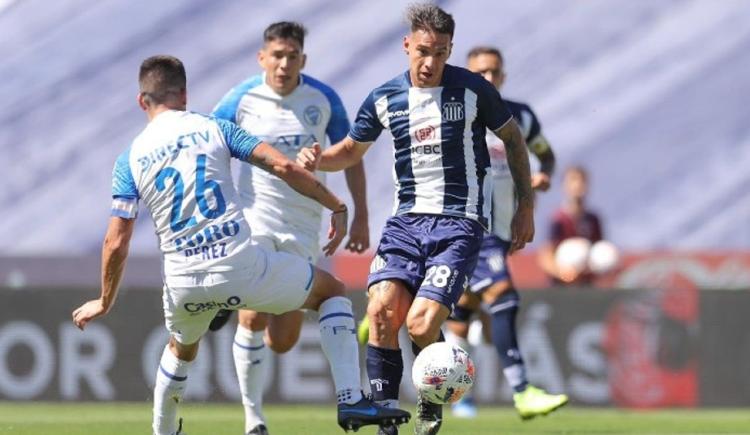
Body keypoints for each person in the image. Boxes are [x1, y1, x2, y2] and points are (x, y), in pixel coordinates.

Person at [70, 55, 409, 435]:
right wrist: (336, 205)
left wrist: (104, 300)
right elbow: (284, 167)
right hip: (239, 265)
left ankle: (163, 431)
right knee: (332, 293)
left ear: (141, 100)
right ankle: (350, 399)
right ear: (184, 93)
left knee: (181, 350)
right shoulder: (213, 128)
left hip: (183, 280)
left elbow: (116, 241)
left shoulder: (129, 159)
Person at [297, 4, 535, 434]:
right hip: (405, 223)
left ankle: (432, 400)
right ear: (407, 45)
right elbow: (350, 150)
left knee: (421, 323)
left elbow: (513, 139)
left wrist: (525, 206)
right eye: (423, 51)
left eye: (441, 53)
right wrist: (319, 158)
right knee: (383, 314)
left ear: (450, 50)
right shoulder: (386, 97)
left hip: (459, 224)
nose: (430, 62)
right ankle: (388, 421)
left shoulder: (473, 91)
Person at [208, 21, 370, 435]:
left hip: (303, 227)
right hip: (254, 220)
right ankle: (254, 419)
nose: (283, 64)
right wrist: (216, 210)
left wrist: (362, 215)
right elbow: (207, 148)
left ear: (303, 59)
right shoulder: (240, 99)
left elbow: (350, 153)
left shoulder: (323, 98)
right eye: (276, 56)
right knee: (253, 313)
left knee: (282, 341)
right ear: (262, 57)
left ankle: (237, 306)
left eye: (291, 56)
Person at [443, 46, 568, 420]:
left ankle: (455, 394)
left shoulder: (520, 117)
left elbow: (545, 154)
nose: (488, 78)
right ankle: (521, 390)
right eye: (480, 72)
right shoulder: (455, 113)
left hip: (499, 228)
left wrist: (542, 174)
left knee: (464, 307)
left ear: (504, 76)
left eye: (494, 71)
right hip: (467, 225)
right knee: (503, 296)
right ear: (467, 73)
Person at [538, 165, 604, 285]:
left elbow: (599, 252)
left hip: (586, 285)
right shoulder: (558, 219)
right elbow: (546, 255)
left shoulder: (593, 219)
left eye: (582, 181)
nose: (578, 185)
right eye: (573, 180)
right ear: (565, 186)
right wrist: (562, 272)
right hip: (561, 287)